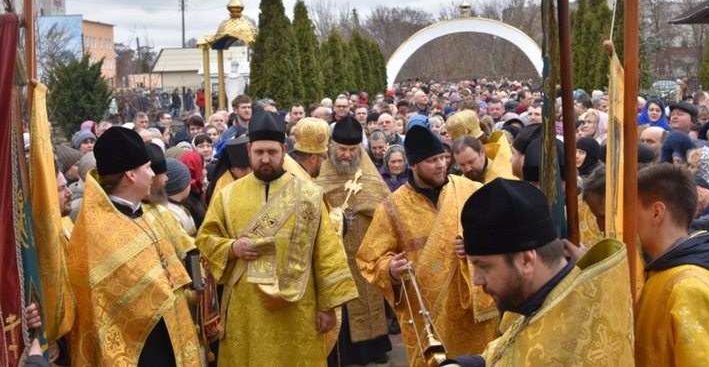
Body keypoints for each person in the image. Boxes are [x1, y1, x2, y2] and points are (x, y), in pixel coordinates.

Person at [195, 111, 358, 366]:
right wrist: (232, 247)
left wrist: (327, 307)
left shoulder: (309, 195)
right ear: (249, 150)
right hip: (246, 311)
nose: (266, 159)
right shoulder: (228, 195)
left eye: (272, 152)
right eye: (259, 152)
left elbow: (327, 252)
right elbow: (205, 239)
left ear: (283, 149)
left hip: (298, 309)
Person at [441, 179, 634, 366]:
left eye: (484, 266)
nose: (476, 280)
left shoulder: (568, 343)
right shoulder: (547, 298)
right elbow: (507, 350)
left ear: (526, 260)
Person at [357, 125, 497, 367]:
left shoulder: (470, 191)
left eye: (443, 158)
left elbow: (502, 234)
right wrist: (390, 268)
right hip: (425, 317)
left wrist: (478, 245)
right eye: (432, 160)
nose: (441, 164)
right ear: (413, 165)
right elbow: (369, 259)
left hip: (472, 313)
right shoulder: (393, 207)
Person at [67, 127, 201, 365]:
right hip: (141, 352)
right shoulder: (98, 229)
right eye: (148, 167)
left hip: (172, 339)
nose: (154, 175)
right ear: (130, 173)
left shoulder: (144, 214)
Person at [315, 116, 392, 366]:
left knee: (367, 294)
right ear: (332, 146)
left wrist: (361, 208)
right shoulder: (323, 170)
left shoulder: (366, 168)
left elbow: (383, 202)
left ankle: (371, 349)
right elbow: (315, 200)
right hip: (333, 247)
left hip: (363, 243)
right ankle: (343, 351)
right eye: (342, 149)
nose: (347, 155)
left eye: (352, 150)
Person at [634, 164, 709, 365]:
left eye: (631, 211)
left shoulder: (689, 287)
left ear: (656, 212)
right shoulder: (659, 269)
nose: (626, 222)